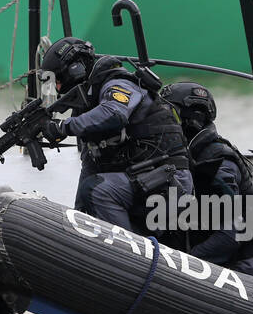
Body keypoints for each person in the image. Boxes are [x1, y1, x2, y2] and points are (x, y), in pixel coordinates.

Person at [41, 37, 193, 235]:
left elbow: (115, 113)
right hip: (145, 182)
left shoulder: (118, 84)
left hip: (170, 181)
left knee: (98, 190)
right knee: (91, 192)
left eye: (59, 81)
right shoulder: (90, 104)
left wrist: (64, 127)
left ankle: (133, 259)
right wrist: (79, 215)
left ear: (76, 69)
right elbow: (90, 165)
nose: (58, 89)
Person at [159, 81, 253, 277]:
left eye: (168, 116)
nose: (162, 123)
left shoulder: (218, 163)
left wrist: (185, 263)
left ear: (190, 120)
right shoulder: (185, 157)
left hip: (241, 265)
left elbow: (231, 234)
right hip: (212, 257)